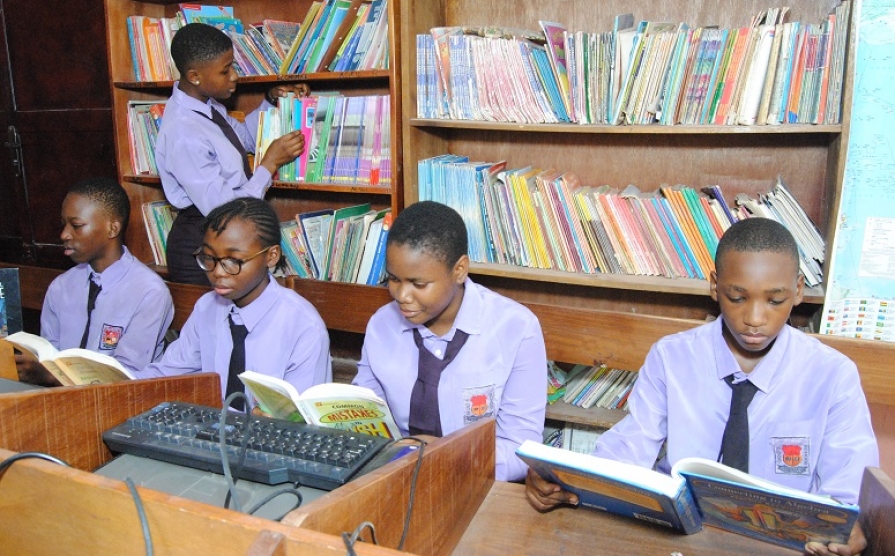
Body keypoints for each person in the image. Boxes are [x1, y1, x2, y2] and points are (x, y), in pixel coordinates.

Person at [525, 217, 879, 556]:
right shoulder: (672, 357)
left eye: (775, 300)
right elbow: (628, 450)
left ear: (799, 290)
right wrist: (562, 481)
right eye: (737, 298)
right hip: (681, 539)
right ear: (714, 286)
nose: (755, 319)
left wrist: (849, 530)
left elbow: (846, 494)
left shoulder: (833, 376)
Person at [353, 201, 547, 482]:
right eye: (393, 279)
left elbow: (522, 449)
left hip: (478, 481)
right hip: (395, 477)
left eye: (418, 284)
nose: (402, 295)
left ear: (459, 270)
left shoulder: (516, 329)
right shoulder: (382, 325)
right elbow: (368, 420)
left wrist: (447, 458)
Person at [136, 197, 331, 407]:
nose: (218, 272)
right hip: (215, 431)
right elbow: (169, 371)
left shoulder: (303, 326)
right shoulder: (207, 308)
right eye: (209, 257)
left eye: (234, 261)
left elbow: (304, 415)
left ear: (271, 256)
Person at [157, 22, 310, 284]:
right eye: (225, 71)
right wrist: (269, 164)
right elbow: (223, 211)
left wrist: (272, 100)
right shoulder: (184, 132)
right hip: (203, 247)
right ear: (195, 76)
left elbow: (245, 139)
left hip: (228, 239)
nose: (234, 76)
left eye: (233, 66)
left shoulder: (207, 105)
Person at [16, 177, 174, 385]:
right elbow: (48, 353)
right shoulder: (61, 287)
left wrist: (54, 378)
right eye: (64, 224)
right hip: (60, 400)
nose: (64, 234)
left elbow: (126, 375)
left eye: (77, 225)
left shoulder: (149, 292)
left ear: (112, 229)